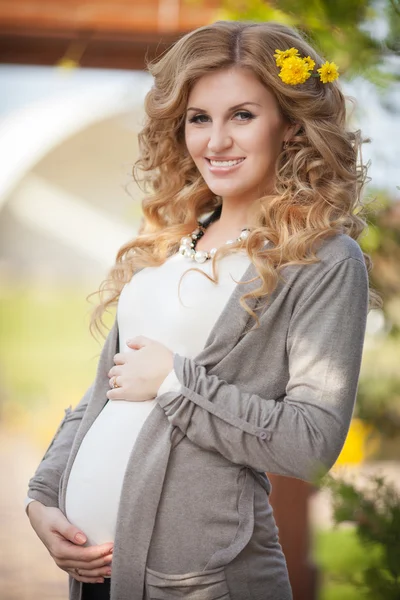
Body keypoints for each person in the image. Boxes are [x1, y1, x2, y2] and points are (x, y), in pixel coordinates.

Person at [26, 19, 372, 600]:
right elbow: (105, 391)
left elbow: (310, 442)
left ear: (289, 125)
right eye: (199, 118)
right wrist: (43, 496)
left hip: (202, 580)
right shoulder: (169, 237)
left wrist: (174, 383)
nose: (216, 141)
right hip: (93, 572)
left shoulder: (322, 260)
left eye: (242, 115)